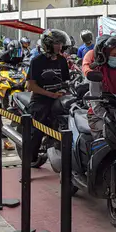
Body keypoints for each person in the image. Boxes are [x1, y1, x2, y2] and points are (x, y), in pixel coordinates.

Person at [26, 29, 71, 161]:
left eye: (61, 43)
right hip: (41, 100)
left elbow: (65, 81)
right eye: (57, 43)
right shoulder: (37, 61)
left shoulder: (62, 61)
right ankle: (30, 159)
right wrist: (50, 94)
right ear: (48, 44)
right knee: (37, 128)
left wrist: (64, 91)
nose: (60, 46)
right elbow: (30, 86)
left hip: (59, 99)